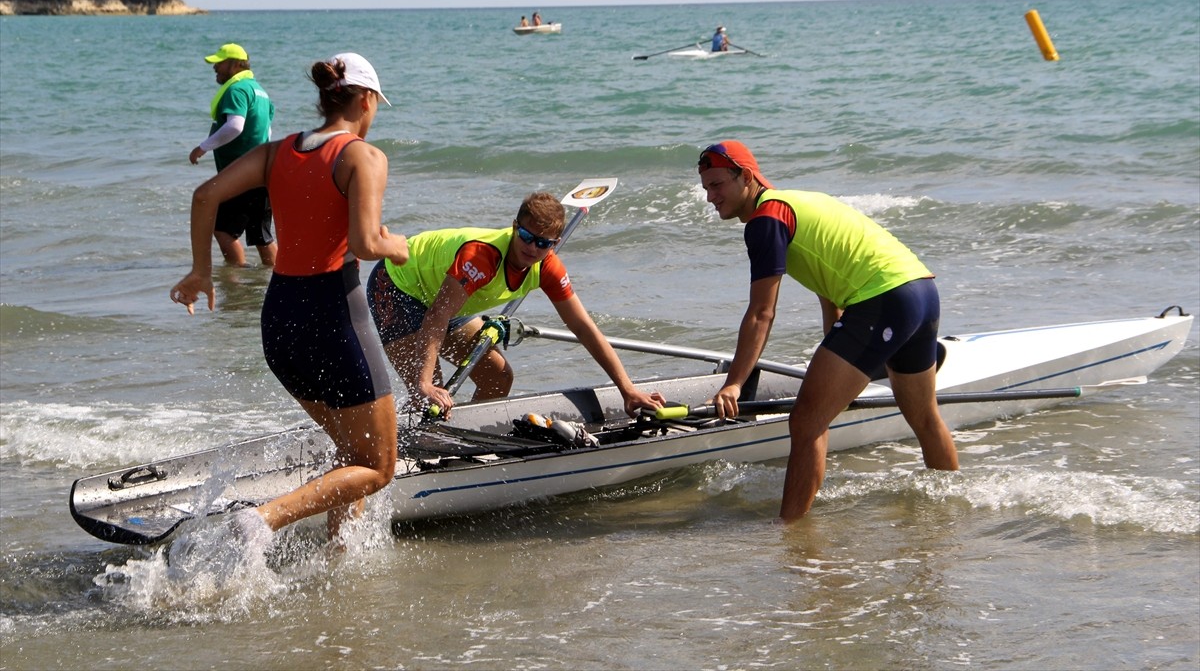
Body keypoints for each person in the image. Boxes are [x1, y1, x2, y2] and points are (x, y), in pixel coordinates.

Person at [170, 52, 409, 547]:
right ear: (366, 100)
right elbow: (366, 243)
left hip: (280, 320)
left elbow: (204, 196)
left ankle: (340, 556)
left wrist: (200, 272)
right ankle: (263, 520)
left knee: (350, 451)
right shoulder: (363, 156)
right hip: (334, 316)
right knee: (378, 466)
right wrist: (397, 247)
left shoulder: (276, 152)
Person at [695, 140, 958, 522]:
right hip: (921, 291)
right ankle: (950, 515)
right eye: (706, 188)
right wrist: (837, 367)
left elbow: (761, 314)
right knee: (924, 417)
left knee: (806, 422)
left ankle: (791, 533)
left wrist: (734, 383)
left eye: (717, 184)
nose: (710, 197)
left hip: (883, 301)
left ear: (747, 177)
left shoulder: (766, 219)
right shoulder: (798, 202)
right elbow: (829, 282)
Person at [367, 192, 665, 418]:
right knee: (428, 395)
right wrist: (424, 384)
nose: (532, 248)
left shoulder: (548, 268)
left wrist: (627, 389)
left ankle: (462, 439)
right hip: (397, 285)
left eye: (543, 243)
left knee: (498, 378)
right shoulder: (481, 257)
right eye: (526, 236)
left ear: (555, 243)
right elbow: (437, 315)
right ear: (514, 227)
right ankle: (402, 449)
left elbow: (583, 327)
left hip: (443, 298)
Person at [190, 43, 278, 267]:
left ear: (236, 65)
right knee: (262, 237)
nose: (215, 67)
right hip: (262, 172)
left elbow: (235, 126)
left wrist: (203, 147)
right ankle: (278, 277)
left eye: (220, 63)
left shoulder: (236, 90)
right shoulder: (260, 91)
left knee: (223, 231)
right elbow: (267, 132)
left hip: (241, 173)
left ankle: (236, 281)